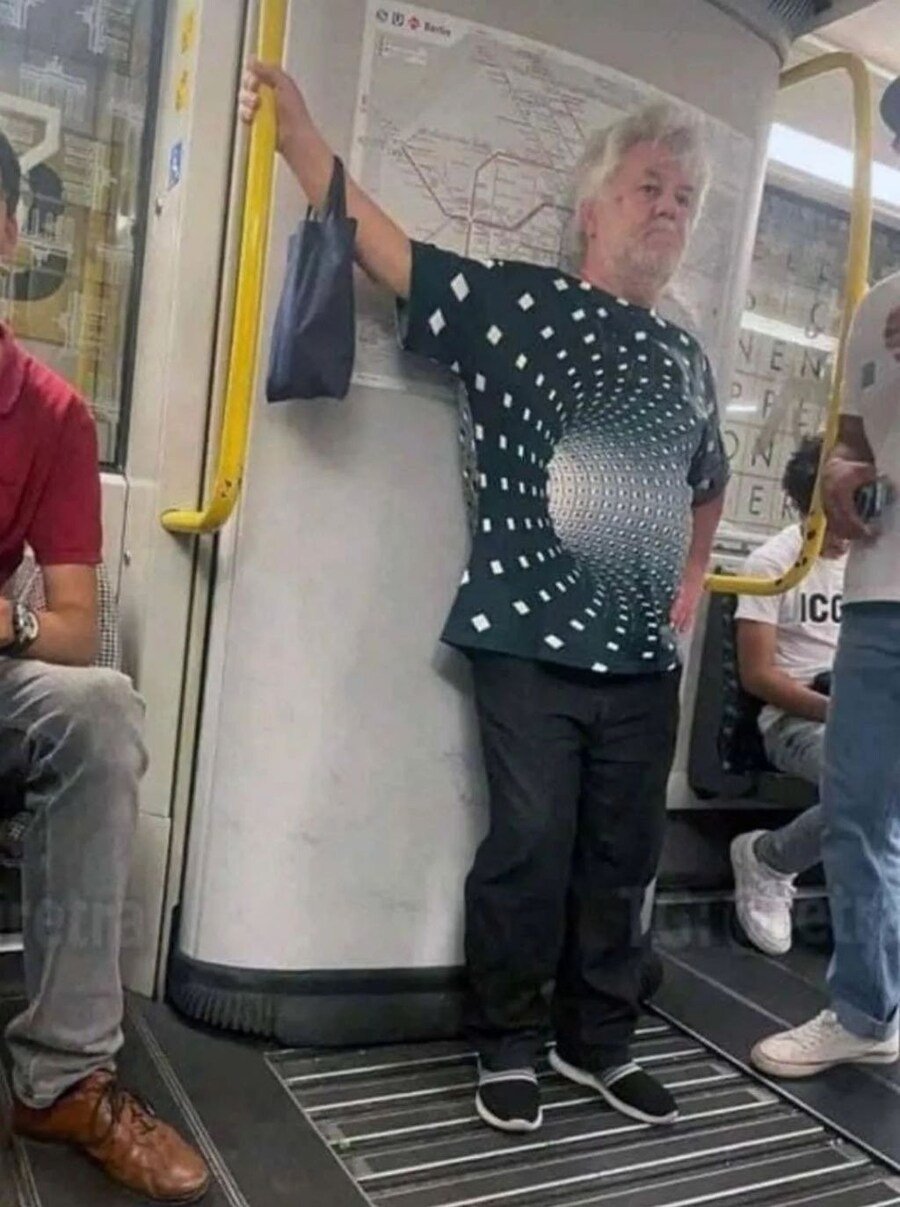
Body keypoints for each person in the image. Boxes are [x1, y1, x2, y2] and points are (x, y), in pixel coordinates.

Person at [241, 61, 729, 1132]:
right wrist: (300, 140)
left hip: (644, 654)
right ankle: (508, 1040)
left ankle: (598, 1043)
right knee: (531, 843)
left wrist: (694, 576)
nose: (669, 210)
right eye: (650, 187)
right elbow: (392, 255)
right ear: (594, 207)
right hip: (530, 632)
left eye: (685, 198)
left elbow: (710, 479)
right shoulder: (521, 304)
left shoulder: (687, 358)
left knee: (624, 856)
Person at [0, 131, 209, 1202]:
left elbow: (75, 627)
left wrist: (4, 620)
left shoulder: (52, 414)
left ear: (9, 234)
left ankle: (63, 1078)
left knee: (100, 708)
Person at [752, 76, 900, 1079]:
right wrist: (844, 476)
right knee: (858, 814)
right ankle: (865, 1010)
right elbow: (852, 443)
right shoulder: (877, 308)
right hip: (882, 598)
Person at [730, 435, 847, 956]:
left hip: (864, 710)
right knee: (873, 783)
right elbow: (758, 675)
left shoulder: (874, 566)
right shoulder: (772, 563)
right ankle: (770, 859)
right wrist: (837, 710)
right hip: (796, 719)